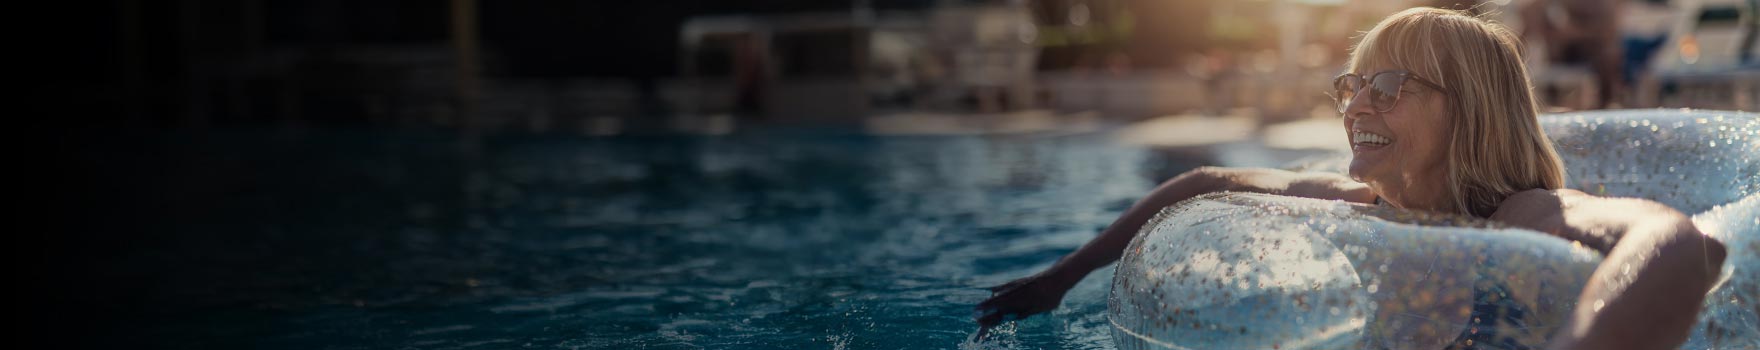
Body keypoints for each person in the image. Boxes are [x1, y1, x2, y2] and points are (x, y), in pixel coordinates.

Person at [974, 8, 1727, 349]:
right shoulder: (1358, 202)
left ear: (1470, 112)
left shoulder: (1523, 214)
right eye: (1351, 84)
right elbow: (1200, 181)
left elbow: (1680, 243)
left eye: (1391, 85)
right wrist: (1059, 280)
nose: (1357, 102)